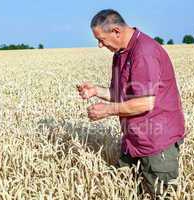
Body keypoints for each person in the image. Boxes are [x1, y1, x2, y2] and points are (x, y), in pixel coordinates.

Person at [77, 9, 185, 198]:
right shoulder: (120, 54)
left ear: (116, 31)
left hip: (156, 145)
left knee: (160, 195)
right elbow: (120, 94)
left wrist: (107, 111)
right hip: (134, 142)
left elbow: (145, 102)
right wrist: (95, 91)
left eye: (101, 39)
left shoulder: (144, 52)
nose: (100, 45)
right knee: (119, 188)